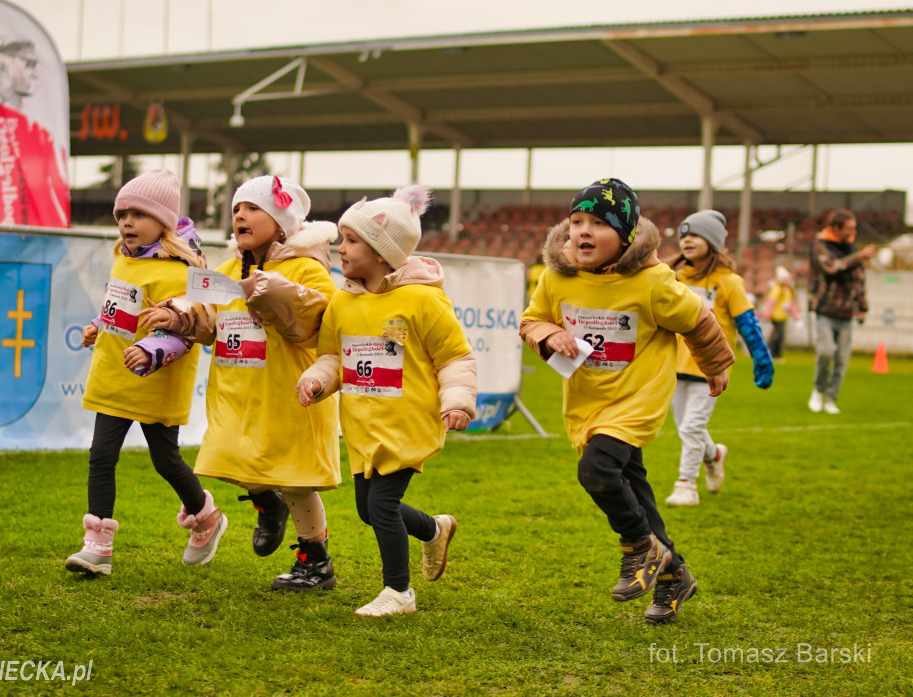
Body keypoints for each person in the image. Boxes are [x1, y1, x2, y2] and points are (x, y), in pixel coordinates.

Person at [520, 178, 734, 625]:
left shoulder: (654, 282)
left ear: (625, 235)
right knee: (633, 488)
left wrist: (715, 364)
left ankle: (639, 548)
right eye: (577, 220)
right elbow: (531, 320)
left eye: (598, 223)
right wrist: (549, 334)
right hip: (587, 401)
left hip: (638, 399)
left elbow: (698, 318)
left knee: (596, 471)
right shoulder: (558, 277)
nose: (582, 230)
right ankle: (675, 574)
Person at [140, 175, 341, 590]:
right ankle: (268, 502)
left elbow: (314, 321)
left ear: (282, 221)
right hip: (236, 388)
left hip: (286, 391)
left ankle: (315, 561)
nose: (240, 216)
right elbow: (209, 318)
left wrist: (270, 291)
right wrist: (178, 315)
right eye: (236, 209)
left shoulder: (307, 267)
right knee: (234, 455)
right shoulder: (230, 268)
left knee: (294, 477)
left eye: (253, 208)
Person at [297, 185, 477, 617]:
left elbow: (454, 356)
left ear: (382, 252)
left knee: (381, 506)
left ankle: (399, 592)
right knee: (368, 510)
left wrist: (457, 402)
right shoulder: (343, 300)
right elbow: (332, 357)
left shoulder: (422, 299)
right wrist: (318, 380)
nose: (340, 248)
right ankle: (434, 529)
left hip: (407, 422)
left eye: (352, 240)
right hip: (363, 425)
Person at [66, 169, 226, 576]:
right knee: (101, 455)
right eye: (122, 214)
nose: (127, 222)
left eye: (138, 214)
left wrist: (150, 350)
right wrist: (97, 326)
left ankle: (205, 516)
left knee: (166, 460)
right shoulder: (123, 259)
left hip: (155, 381)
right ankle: (97, 544)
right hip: (114, 377)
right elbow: (118, 307)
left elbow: (183, 330)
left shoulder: (179, 272)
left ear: (164, 222)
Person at [664, 210, 774, 506]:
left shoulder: (729, 281)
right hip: (674, 366)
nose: (687, 240)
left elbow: (747, 323)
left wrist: (762, 361)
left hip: (710, 368)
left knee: (691, 427)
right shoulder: (672, 275)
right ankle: (713, 456)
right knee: (686, 426)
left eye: (696, 235)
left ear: (712, 242)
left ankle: (686, 484)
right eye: (684, 235)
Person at [808, 209, 876, 414]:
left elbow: (858, 280)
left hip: (847, 313)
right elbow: (831, 267)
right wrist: (859, 257)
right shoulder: (820, 245)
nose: (853, 231)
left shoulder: (852, 248)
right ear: (836, 228)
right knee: (826, 352)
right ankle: (818, 391)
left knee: (841, 359)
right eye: (850, 228)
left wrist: (862, 308)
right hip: (825, 310)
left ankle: (831, 398)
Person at [760, 265, 801, 361]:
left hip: (783, 316)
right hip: (776, 316)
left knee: (780, 336)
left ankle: (776, 355)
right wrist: (767, 314)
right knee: (778, 335)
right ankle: (768, 353)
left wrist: (797, 317)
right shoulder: (777, 289)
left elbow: (791, 305)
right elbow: (770, 303)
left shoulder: (788, 290)